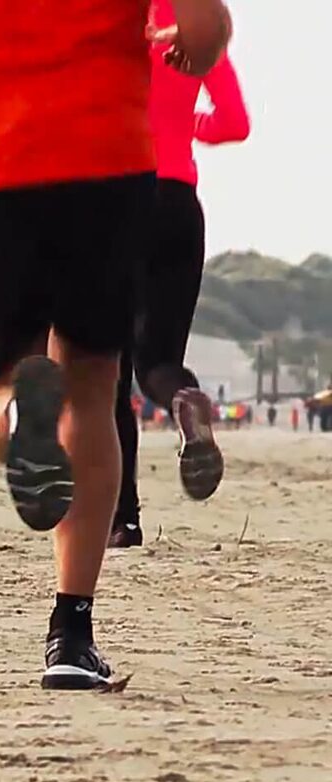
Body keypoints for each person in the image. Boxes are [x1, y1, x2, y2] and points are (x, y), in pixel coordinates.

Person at [0, 0, 233, 689]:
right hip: (107, 161)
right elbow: (205, 34)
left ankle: (16, 420)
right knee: (91, 387)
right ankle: (71, 633)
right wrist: (192, 49)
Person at [110, 0, 250, 549]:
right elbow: (235, 123)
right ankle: (187, 404)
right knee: (160, 363)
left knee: (112, 374)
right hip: (178, 204)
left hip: (119, 196)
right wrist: (187, 122)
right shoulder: (195, 28)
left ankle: (123, 519)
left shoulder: (111, 24)